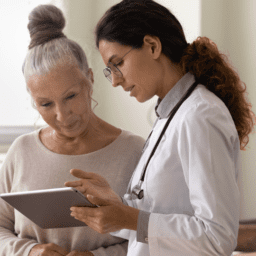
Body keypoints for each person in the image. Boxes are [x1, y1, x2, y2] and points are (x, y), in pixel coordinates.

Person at [65, 0, 256, 255]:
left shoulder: (201, 116)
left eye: (118, 63)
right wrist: (116, 206)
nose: (115, 82)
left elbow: (217, 237)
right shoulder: (170, 114)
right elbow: (159, 217)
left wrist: (130, 218)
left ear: (153, 46)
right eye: (109, 71)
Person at [0, 4, 145, 256]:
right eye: (45, 104)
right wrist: (30, 252)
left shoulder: (135, 151)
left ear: (89, 78)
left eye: (71, 96)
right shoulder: (20, 152)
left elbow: (151, 236)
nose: (62, 115)